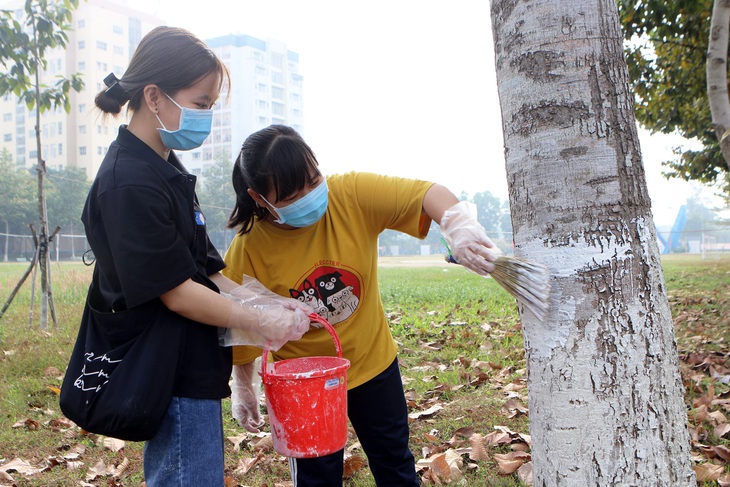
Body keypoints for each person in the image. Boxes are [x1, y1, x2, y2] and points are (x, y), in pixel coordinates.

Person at [86, 28, 309, 486]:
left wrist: (264, 302)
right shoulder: (128, 183)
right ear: (154, 96)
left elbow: (207, 270)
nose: (206, 116)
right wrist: (257, 322)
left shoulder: (165, 168)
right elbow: (178, 294)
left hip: (192, 367)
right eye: (202, 103)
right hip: (166, 371)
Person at [223, 124, 499, 486]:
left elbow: (426, 194)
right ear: (260, 198)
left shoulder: (350, 194)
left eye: (313, 178)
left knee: (394, 461)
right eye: (292, 194)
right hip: (306, 382)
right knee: (317, 475)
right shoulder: (248, 247)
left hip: (372, 362)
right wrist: (244, 388)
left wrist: (457, 223)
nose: (310, 195)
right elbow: (240, 324)